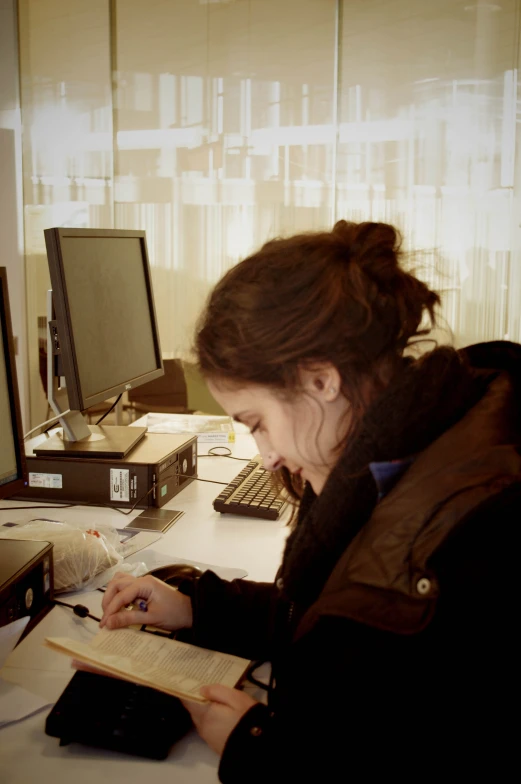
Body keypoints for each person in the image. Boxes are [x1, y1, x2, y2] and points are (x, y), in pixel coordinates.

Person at [100, 221, 520, 782]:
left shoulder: (477, 534)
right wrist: (200, 606)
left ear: (321, 380)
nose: (267, 455)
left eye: (258, 423)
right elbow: (348, 606)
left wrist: (255, 747)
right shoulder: (417, 443)